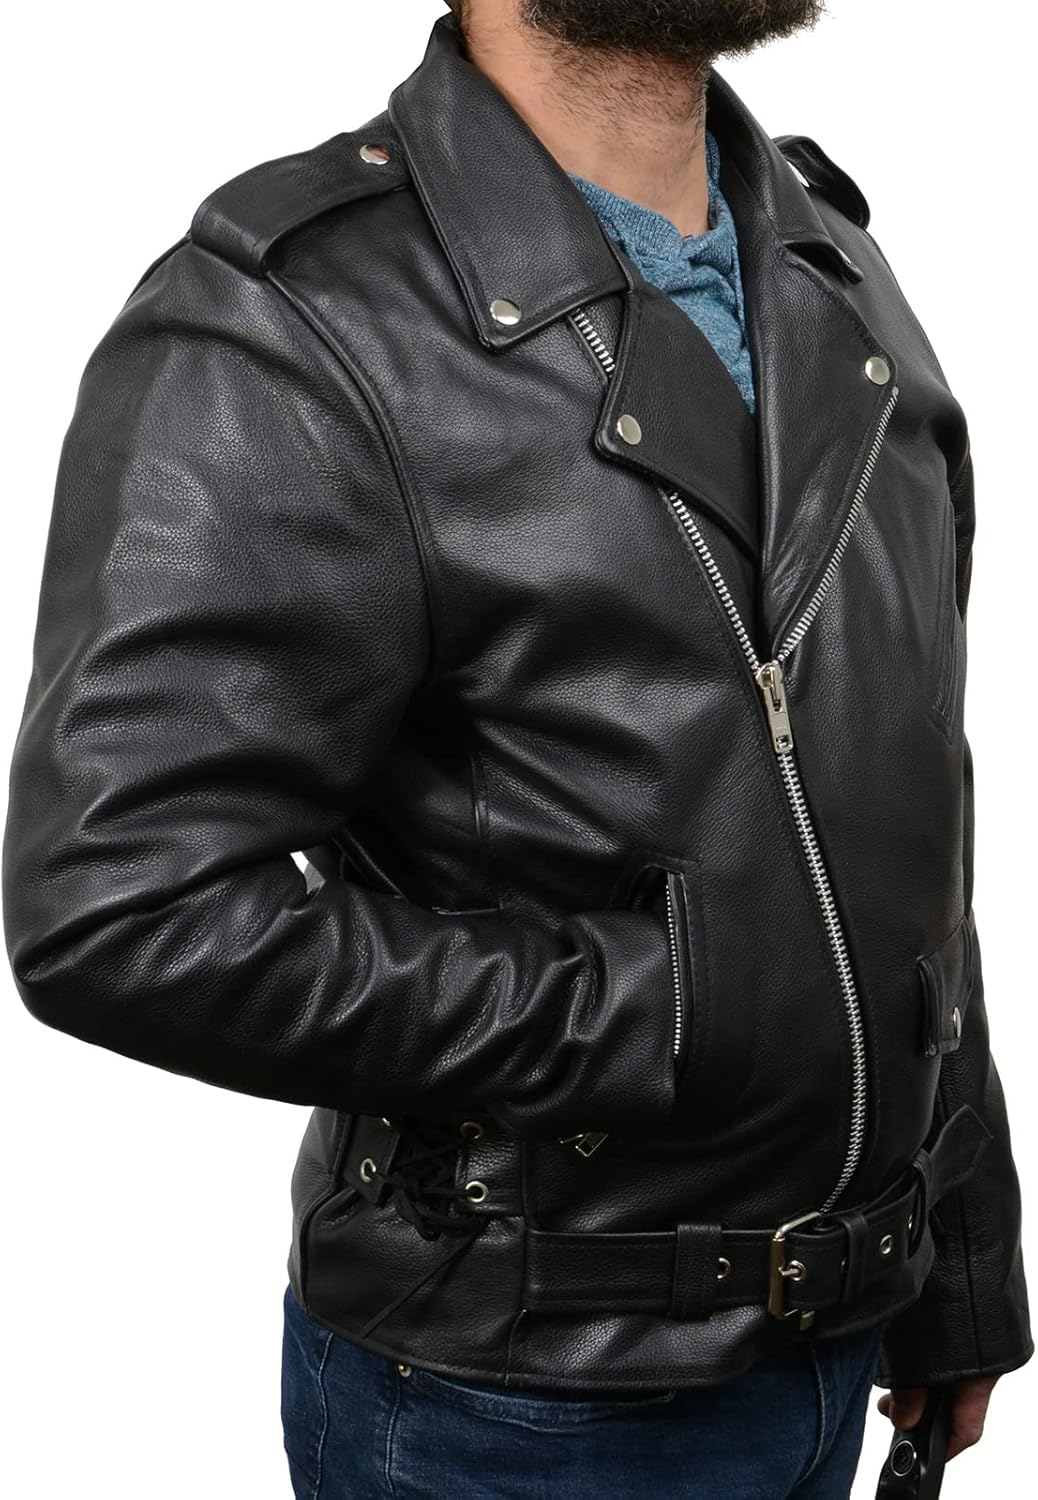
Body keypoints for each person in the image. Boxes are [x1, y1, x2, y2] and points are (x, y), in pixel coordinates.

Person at [3, 2, 1032, 1495]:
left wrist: (958, 1259)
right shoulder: (295, 315)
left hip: (843, 1337)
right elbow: (118, 906)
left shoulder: (829, 261)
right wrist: (648, 1014)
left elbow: (903, 811)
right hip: (521, 1403)